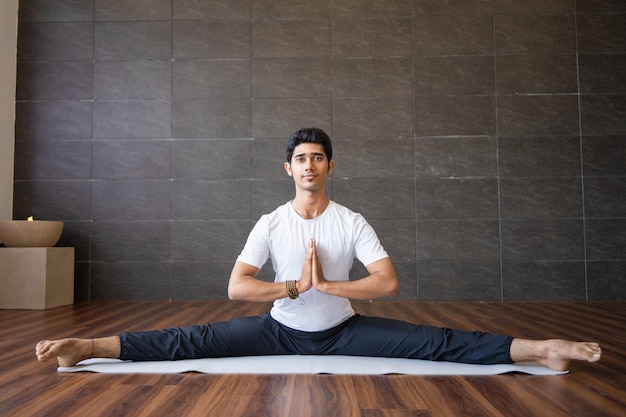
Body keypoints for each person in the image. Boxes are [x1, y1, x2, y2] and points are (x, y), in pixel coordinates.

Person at [36, 127, 602, 372]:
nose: (310, 165)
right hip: (278, 327)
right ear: (289, 168)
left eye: (318, 157)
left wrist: (327, 287)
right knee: (188, 340)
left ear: (330, 166)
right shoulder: (271, 221)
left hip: (345, 327)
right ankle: (82, 345)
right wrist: (293, 288)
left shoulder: (351, 220)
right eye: (300, 158)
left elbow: (387, 283)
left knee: (438, 342)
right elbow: (236, 287)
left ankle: (541, 350)